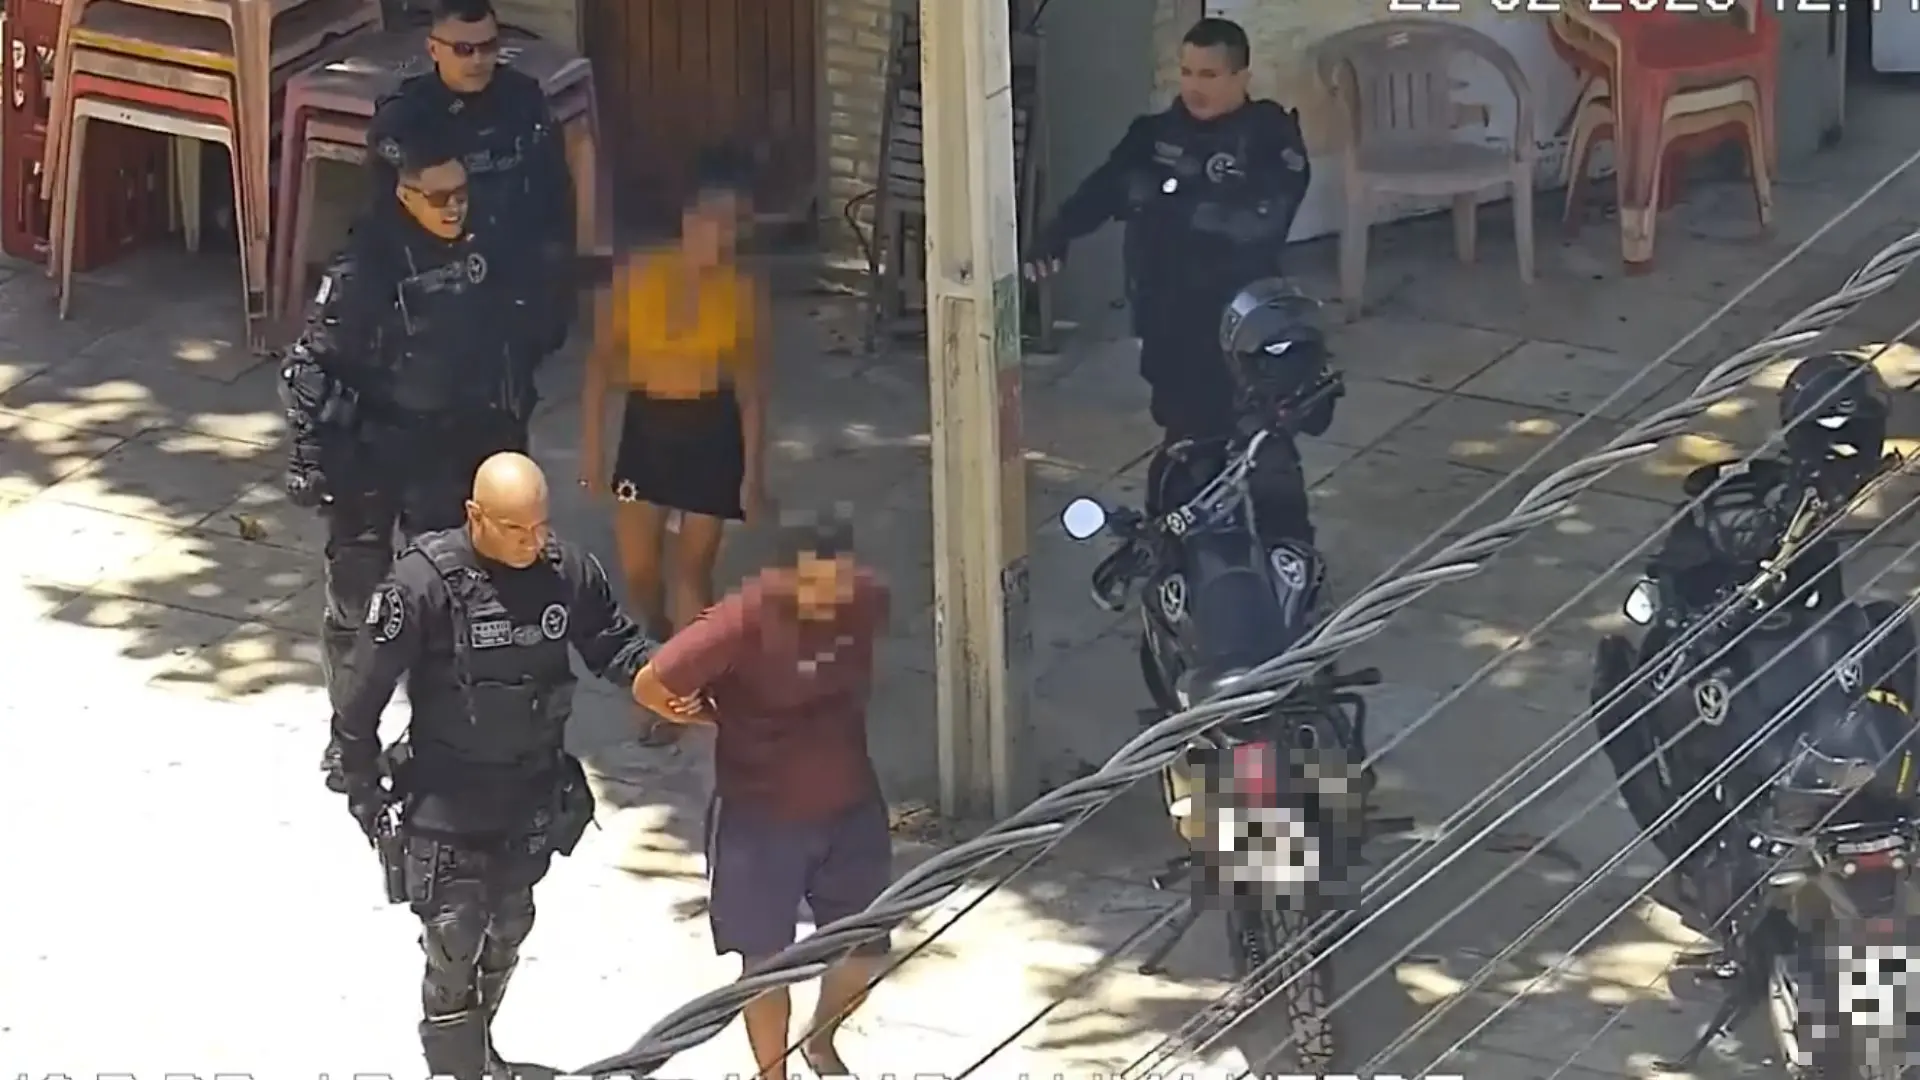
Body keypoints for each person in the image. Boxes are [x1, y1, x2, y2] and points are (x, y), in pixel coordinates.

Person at [329, 452, 660, 1078]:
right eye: (516, 530)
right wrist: (364, 793)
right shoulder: (422, 586)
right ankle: (458, 1072)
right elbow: (360, 695)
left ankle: (478, 1054)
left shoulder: (564, 572)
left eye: (540, 527)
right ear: (475, 516)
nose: (532, 542)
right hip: (444, 801)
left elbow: (614, 643)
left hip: (527, 793)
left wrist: (665, 680)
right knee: (455, 938)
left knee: (507, 930)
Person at [279, 121, 554, 792]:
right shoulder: (365, 266)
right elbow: (308, 368)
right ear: (404, 195)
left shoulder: (485, 250)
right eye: (439, 197)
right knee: (357, 609)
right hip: (373, 455)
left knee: (447, 608)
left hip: (449, 451)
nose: (455, 207)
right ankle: (350, 740)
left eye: (461, 193)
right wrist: (310, 457)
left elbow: (512, 345)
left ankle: (439, 739)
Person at [631, 509, 891, 1080]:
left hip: (850, 806)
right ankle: (771, 1074)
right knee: (765, 964)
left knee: (867, 951)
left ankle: (820, 1044)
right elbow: (652, 682)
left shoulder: (866, 605)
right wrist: (703, 716)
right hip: (759, 816)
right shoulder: (738, 622)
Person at [1023, 18, 1311, 509]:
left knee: (1257, 448)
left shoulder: (1268, 136)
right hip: (1169, 317)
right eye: (1187, 72)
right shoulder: (1154, 137)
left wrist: (1164, 202)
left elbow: (1261, 222)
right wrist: (1055, 235)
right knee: (1184, 442)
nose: (1194, 87)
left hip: (1241, 319)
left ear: (1241, 76)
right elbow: (1104, 189)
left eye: (1209, 74)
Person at [580, 145, 770, 746]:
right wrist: (591, 450)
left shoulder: (741, 294)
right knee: (640, 572)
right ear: (691, 222)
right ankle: (670, 643)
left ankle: (674, 693)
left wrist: (752, 474)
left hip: (710, 431)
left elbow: (751, 389)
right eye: (717, 223)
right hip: (647, 430)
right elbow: (600, 367)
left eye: (735, 227)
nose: (725, 238)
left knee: (692, 569)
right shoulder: (638, 278)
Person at [368, 0, 576, 354]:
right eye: (464, 50)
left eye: (488, 47)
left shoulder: (523, 98)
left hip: (514, 266)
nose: (479, 61)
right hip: (442, 274)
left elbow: (555, 187)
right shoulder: (407, 116)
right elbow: (384, 218)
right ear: (434, 49)